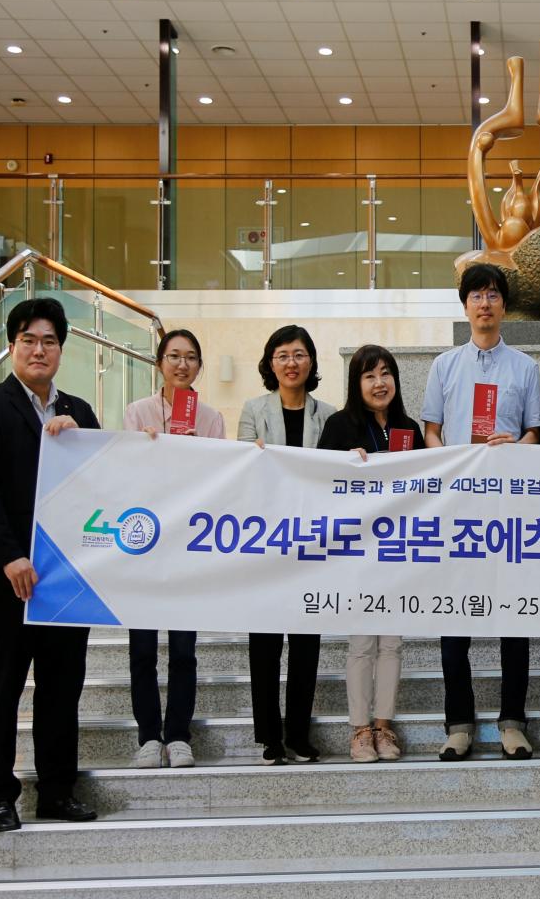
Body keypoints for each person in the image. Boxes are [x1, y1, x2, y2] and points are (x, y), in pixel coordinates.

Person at [0, 297, 99, 832]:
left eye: (49, 340)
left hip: (66, 579)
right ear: (12, 346)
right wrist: (10, 556)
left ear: (62, 349)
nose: (39, 349)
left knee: (63, 689)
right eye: (28, 340)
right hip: (8, 580)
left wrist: (81, 439)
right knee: (1, 689)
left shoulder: (80, 412)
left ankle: (57, 791)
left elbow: (103, 482)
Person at [422, 263, 540, 761]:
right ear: (465, 304)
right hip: (459, 511)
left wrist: (515, 444)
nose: (485, 303)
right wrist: (453, 459)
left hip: (509, 511)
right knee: (455, 622)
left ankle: (513, 722)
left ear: (504, 305)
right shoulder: (444, 366)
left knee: (513, 621)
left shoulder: (526, 367)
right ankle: (459, 725)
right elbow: (431, 430)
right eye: (477, 295)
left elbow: (537, 432)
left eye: (493, 294)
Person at [123, 328, 226, 769]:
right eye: (173, 356)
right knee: (142, 648)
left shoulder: (212, 418)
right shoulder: (136, 412)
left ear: (199, 366)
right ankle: (148, 735)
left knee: (184, 649)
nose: (181, 364)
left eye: (190, 358)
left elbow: (220, 479)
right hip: (145, 544)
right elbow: (125, 474)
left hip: (188, 546)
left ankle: (179, 734)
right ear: (159, 363)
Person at [318, 344, 425, 764]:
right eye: (369, 376)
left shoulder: (410, 429)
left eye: (386, 374)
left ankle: (384, 726)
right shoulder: (339, 426)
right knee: (363, 644)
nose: (379, 383)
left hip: (399, 551)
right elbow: (320, 482)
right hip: (358, 554)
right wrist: (346, 466)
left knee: (392, 644)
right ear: (356, 383)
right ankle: (359, 730)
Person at [237, 324, 336, 765]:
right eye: (282, 355)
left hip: (314, 544)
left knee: (306, 642)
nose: (291, 363)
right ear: (270, 363)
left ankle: (298, 733)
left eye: (298, 354)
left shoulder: (329, 415)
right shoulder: (253, 410)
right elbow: (239, 469)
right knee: (264, 642)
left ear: (311, 361)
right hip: (267, 541)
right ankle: (269, 737)